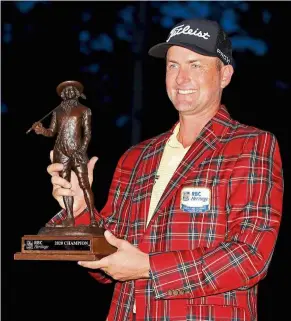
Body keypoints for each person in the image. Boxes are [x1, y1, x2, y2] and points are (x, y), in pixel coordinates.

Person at [46, 19, 284, 321]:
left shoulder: (250, 145)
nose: (181, 78)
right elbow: (110, 259)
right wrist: (80, 208)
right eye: (173, 66)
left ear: (224, 75)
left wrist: (148, 267)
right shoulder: (137, 157)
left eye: (195, 65)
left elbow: (251, 256)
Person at [33, 80, 97, 227]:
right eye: (66, 91)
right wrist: (41, 130)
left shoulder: (84, 110)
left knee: (84, 184)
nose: (69, 92)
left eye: (72, 90)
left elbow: (87, 134)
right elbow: (51, 132)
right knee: (66, 186)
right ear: (63, 95)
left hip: (77, 152)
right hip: (61, 152)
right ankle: (70, 216)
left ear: (77, 93)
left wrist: (81, 150)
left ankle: (92, 217)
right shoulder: (57, 111)